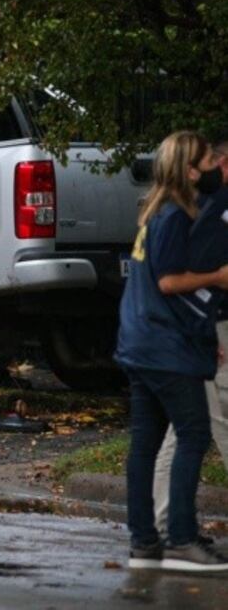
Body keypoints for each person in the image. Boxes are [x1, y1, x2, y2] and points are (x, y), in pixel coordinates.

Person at [115, 130, 228, 572]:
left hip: (142, 340)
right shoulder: (176, 215)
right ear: (188, 170)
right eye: (205, 163)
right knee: (194, 434)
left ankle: (145, 543)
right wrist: (217, 276)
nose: (211, 171)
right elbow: (169, 282)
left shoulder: (154, 210)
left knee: (145, 443)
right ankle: (180, 540)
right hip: (163, 346)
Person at [153, 138, 228, 535]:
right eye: (210, 161)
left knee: (183, 431)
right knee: (202, 426)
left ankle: (164, 523)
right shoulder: (207, 210)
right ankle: (169, 529)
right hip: (206, 329)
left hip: (202, 330)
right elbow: (180, 280)